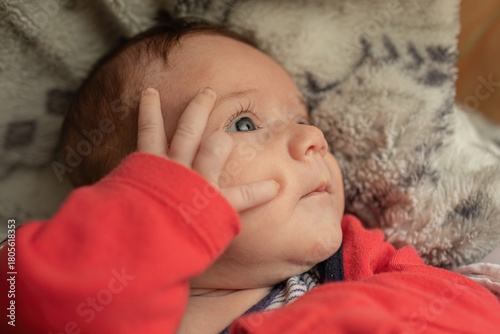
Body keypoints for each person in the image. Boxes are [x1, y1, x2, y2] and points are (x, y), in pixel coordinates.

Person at [1, 18, 500, 334]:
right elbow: (26, 299)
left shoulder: (362, 262)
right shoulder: (94, 299)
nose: (313, 139)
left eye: (303, 118)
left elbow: (467, 310)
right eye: (245, 123)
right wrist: (148, 219)